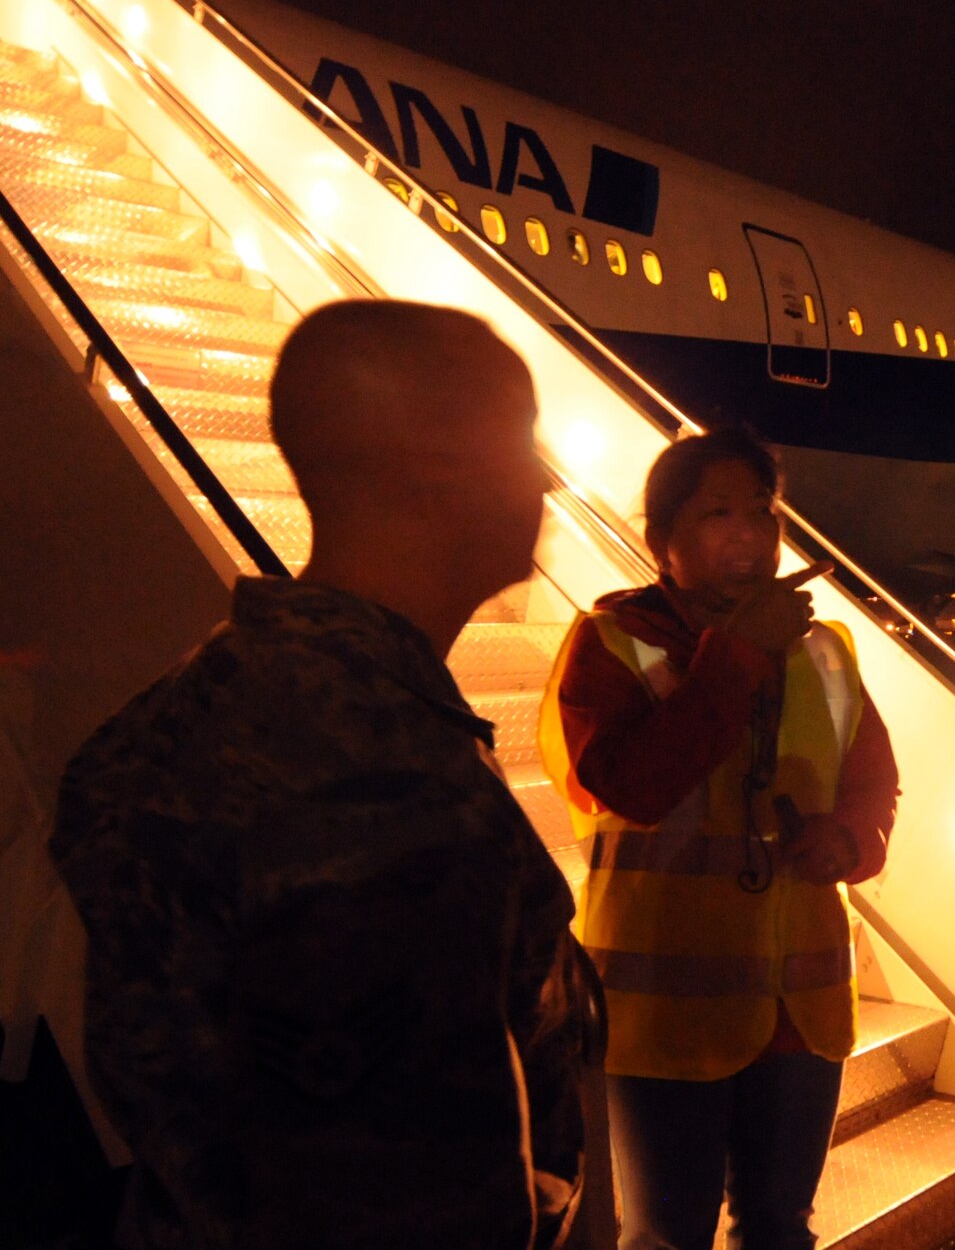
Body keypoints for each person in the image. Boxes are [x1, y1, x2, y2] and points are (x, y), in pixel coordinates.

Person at [49, 299, 601, 1249]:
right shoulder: (382, 790)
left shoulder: (187, 710)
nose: (549, 476)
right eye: (521, 436)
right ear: (436, 470)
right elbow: (419, 1207)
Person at [541, 426, 898, 1250]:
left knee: (780, 1227)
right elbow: (632, 784)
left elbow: (874, 781)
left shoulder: (825, 651)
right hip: (666, 1013)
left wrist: (850, 840)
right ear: (663, 545)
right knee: (668, 1234)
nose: (749, 532)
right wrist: (736, 652)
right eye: (716, 513)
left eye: (763, 513)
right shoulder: (607, 646)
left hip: (799, 1013)